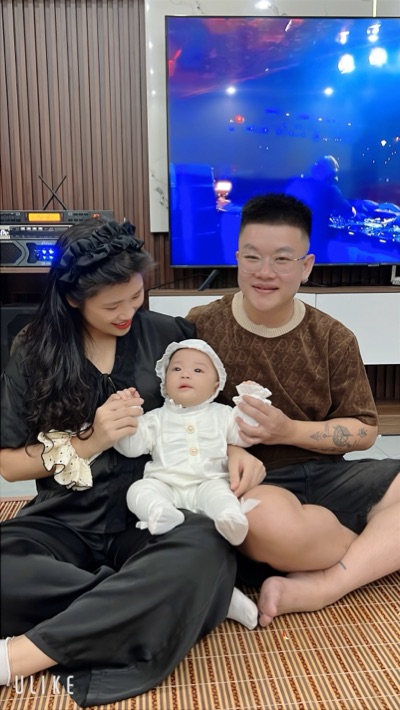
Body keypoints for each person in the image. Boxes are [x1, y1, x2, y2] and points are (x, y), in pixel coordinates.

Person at [0, 218, 265, 706]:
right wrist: (90, 440)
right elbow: (11, 466)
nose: (128, 313)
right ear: (73, 298)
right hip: (63, 521)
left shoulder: (168, 336)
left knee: (205, 542)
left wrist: (232, 447)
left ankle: (20, 656)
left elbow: (205, 406)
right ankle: (170, 599)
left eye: (137, 297)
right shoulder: (33, 348)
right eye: (111, 305)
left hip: (151, 517)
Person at [186, 192, 400, 626]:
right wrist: (229, 449)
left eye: (283, 259)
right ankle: (372, 546)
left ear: (306, 266)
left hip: (328, 475)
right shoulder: (201, 326)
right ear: (237, 258)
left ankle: (328, 583)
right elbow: (175, 410)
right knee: (261, 523)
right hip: (257, 483)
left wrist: (288, 431)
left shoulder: (333, 337)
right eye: (252, 257)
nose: (265, 272)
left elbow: (365, 430)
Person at [114, 340, 272, 630]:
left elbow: (246, 434)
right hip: (166, 486)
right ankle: (159, 512)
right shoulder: (155, 419)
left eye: (198, 370)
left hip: (208, 483)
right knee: (139, 491)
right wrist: (128, 414)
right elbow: (130, 447)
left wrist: (251, 400)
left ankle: (230, 519)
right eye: (176, 369)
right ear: (164, 383)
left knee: (221, 495)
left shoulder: (223, 415)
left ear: (215, 386)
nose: (185, 374)